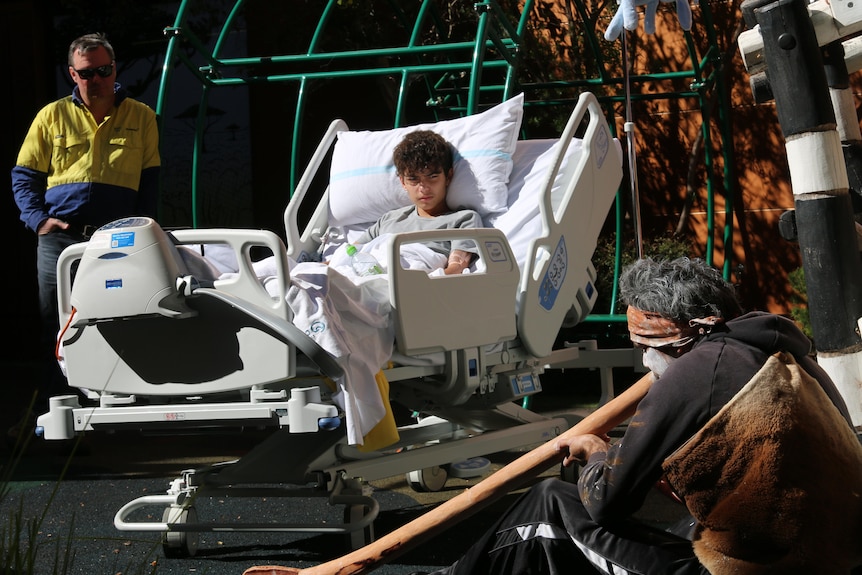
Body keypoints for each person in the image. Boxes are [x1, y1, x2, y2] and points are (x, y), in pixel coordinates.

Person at [417, 256, 859, 575]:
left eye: (645, 346)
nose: (644, 359)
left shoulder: (694, 372)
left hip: (758, 567)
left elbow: (606, 503)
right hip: (834, 553)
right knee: (685, 524)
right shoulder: (786, 355)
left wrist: (594, 452)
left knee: (549, 503)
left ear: (681, 335)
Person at [11, 33, 161, 404]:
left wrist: (145, 231)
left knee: (123, 313)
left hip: (117, 240)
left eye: (103, 70)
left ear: (115, 70)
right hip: (60, 239)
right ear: (72, 75)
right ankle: (56, 404)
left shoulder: (141, 116)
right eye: (86, 73)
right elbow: (24, 175)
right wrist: (39, 221)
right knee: (57, 323)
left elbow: (150, 183)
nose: (95, 79)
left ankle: (120, 402)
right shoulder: (52, 115)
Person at [353, 130, 482, 275]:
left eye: (432, 177)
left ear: (448, 176)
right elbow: (349, 256)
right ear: (402, 181)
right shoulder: (388, 219)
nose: (423, 188)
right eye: (413, 179)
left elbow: (455, 269)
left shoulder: (463, 220)